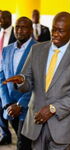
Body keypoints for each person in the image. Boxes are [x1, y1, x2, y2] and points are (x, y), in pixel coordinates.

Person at [2, 12, 70, 149]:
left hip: (63, 125)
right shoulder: (37, 49)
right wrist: (21, 80)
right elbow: (27, 82)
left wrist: (53, 108)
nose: (55, 34)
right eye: (53, 29)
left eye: (60, 31)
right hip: (36, 123)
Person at [0, 17, 35, 150]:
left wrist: (20, 104)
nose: (20, 30)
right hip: (10, 108)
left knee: (23, 144)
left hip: (29, 107)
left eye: (24, 27)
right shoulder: (7, 50)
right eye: (17, 27)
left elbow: (39, 82)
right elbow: (1, 78)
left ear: (31, 30)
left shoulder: (39, 49)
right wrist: (7, 103)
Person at [0, 10, 16, 145]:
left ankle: (20, 134)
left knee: (10, 106)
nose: (0, 20)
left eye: (3, 18)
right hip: (0, 75)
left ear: (9, 18)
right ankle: (5, 134)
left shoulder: (17, 33)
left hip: (11, 76)